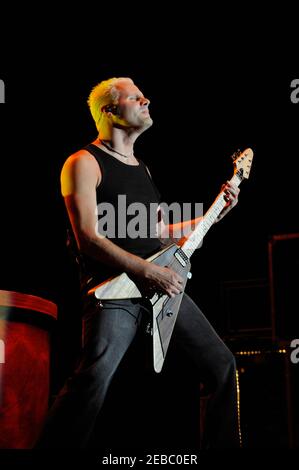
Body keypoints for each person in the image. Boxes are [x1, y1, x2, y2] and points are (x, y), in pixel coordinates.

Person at [36, 77, 241, 449]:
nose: (147, 100)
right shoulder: (82, 163)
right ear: (110, 111)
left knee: (222, 366)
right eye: (136, 97)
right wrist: (147, 272)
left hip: (161, 286)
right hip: (116, 289)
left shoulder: (143, 169)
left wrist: (215, 212)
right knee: (94, 378)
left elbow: (161, 232)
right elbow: (88, 237)